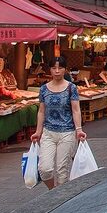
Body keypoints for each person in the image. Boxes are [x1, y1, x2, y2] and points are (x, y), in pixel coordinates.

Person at [30, 56, 86, 189]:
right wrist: (38, 131)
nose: (56, 71)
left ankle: (59, 200)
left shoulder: (71, 88)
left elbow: (76, 110)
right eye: (54, 68)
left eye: (60, 68)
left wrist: (79, 129)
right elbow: (41, 111)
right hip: (48, 133)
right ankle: (52, 191)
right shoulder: (44, 89)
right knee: (45, 169)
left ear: (65, 70)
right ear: (49, 70)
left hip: (67, 133)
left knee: (62, 172)